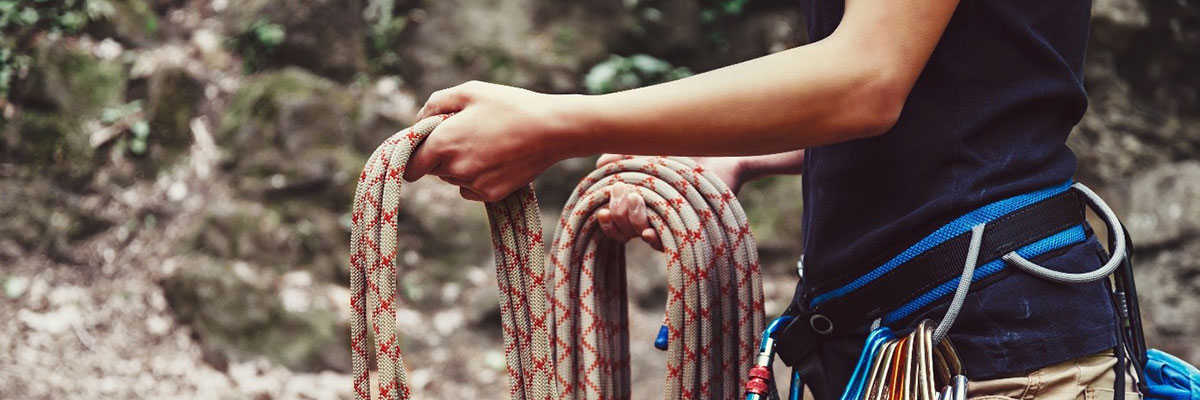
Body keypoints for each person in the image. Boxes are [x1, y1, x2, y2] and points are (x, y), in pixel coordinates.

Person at [402, 0, 1139, 398]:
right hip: (893, 344)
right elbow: (959, 89)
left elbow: (867, 80)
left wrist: (556, 123)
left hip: (985, 354)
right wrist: (741, 147)